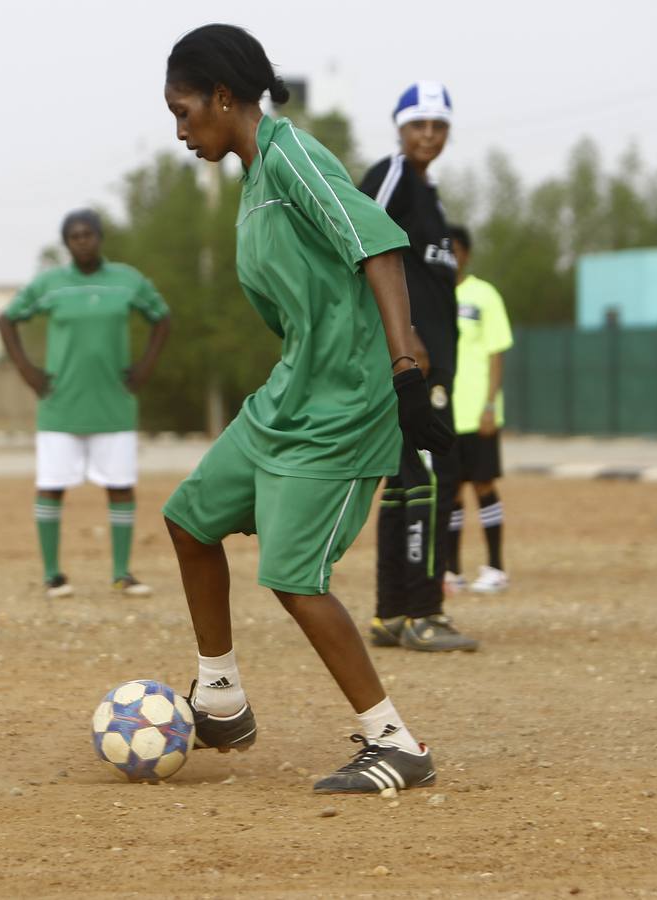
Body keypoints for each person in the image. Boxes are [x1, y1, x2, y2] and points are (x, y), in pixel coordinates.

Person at [161, 24, 454, 794]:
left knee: (295, 579)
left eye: (185, 111)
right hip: (290, 392)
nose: (181, 129)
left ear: (224, 98)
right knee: (190, 520)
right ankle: (219, 694)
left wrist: (402, 368)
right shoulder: (255, 179)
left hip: (345, 405)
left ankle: (395, 743)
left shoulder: (292, 155)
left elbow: (377, 246)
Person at [359, 81, 479, 653]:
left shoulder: (429, 197)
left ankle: (391, 613)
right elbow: (352, 238)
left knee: (408, 482)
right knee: (434, 480)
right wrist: (401, 339)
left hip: (429, 368)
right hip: (411, 367)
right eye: (418, 125)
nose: (429, 135)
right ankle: (424, 612)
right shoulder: (394, 175)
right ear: (400, 128)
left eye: (439, 126)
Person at [0, 210, 171, 599]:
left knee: (121, 487)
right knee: (51, 488)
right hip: (61, 407)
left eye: (88, 234)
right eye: (74, 236)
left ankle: (122, 573)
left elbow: (162, 318)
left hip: (114, 406)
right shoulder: (51, 285)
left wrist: (145, 367)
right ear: (66, 243)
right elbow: (7, 319)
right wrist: (28, 370)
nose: (82, 241)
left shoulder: (127, 280)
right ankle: (52, 575)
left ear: (100, 237)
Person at [443, 223, 513, 594]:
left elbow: (496, 352)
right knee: (451, 490)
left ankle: (496, 567)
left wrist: (489, 405)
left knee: (483, 486)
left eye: (456, 249)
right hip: (446, 415)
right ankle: (452, 571)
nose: (450, 256)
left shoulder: (483, 295)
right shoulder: (434, 296)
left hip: (478, 413)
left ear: (466, 253)